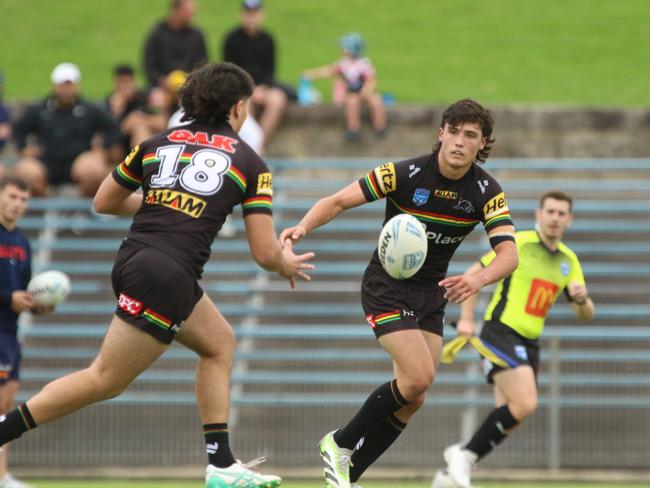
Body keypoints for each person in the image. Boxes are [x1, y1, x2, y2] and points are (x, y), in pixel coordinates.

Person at [0, 63, 314, 487]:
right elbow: (263, 253)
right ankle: (4, 429)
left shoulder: (156, 142)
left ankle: (221, 463)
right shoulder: (249, 161)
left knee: (218, 342)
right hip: (167, 272)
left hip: (134, 260)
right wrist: (285, 263)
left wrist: (160, 204)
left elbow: (103, 201)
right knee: (104, 379)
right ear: (239, 108)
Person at [279, 98, 519, 487]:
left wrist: (476, 280)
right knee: (418, 377)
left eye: (470, 135)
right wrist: (302, 227)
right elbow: (338, 201)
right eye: (453, 132)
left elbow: (509, 254)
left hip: (432, 294)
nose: (459, 141)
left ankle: (349, 475)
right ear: (441, 134)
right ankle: (338, 443)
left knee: (414, 397)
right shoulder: (404, 173)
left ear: (482, 144)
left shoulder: (485, 191)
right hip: (387, 286)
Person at [438, 190, 595, 488]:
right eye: (550, 211)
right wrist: (468, 319)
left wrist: (583, 298)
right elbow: (472, 274)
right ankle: (463, 456)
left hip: (530, 343)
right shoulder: (519, 244)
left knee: (510, 415)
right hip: (500, 332)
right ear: (539, 215)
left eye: (561, 213)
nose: (555, 218)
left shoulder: (569, 261)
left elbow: (585, 314)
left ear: (569, 220)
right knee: (526, 403)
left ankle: (447, 477)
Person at [0, 176, 53, 488]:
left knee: (6, 406)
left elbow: (26, 291)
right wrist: (9, 299)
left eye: (23, 199)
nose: (17, 204)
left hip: (10, 336)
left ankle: (3, 474)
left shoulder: (22, 243)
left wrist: (39, 305)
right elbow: (11, 296)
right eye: (12, 196)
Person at [11, 63, 121, 197]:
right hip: (46, 161)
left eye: (69, 85)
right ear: (54, 86)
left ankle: (86, 210)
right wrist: (23, 148)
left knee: (94, 170)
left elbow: (113, 127)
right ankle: (47, 209)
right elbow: (18, 128)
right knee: (25, 171)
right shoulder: (41, 109)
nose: (66, 89)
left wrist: (103, 148)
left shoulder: (88, 109)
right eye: (62, 85)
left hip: (80, 160)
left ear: (76, 86)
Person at [223, 0, 291, 148]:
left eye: (255, 14)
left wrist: (263, 87)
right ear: (242, 15)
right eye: (248, 14)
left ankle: (258, 146)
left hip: (263, 87)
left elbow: (270, 71)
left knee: (278, 99)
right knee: (245, 103)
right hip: (241, 88)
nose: (251, 17)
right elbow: (230, 71)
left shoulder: (268, 39)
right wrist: (250, 89)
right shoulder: (232, 39)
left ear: (261, 15)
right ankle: (246, 146)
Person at [302, 32, 387, 141]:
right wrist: (312, 74)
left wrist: (367, 90)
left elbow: (371, 80)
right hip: (352, 92)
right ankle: (354, 128)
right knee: (352, 103)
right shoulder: (343, 65)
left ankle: (380, 126)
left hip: (366, 92)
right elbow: (328, 71)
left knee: (376, 101)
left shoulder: (364, 65)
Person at [142, 0, 208, 88]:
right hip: (161, 87)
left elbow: (203, 65)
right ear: (175, 10)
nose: (192, 14)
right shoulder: (157, 34)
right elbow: (149, 64)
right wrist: (161, 80)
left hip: (190, 87)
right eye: (187, 10)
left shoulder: (197, 36)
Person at [104, 64, 149, 157]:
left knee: (140, 129)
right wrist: (117, 113)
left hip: (139, 141)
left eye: (128, 82)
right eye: (121, 82)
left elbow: (161, 121)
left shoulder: (143, 98)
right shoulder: (109, 102)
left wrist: (140, 119)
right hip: (118, 148)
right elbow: (107, 136)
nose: (125, 87)